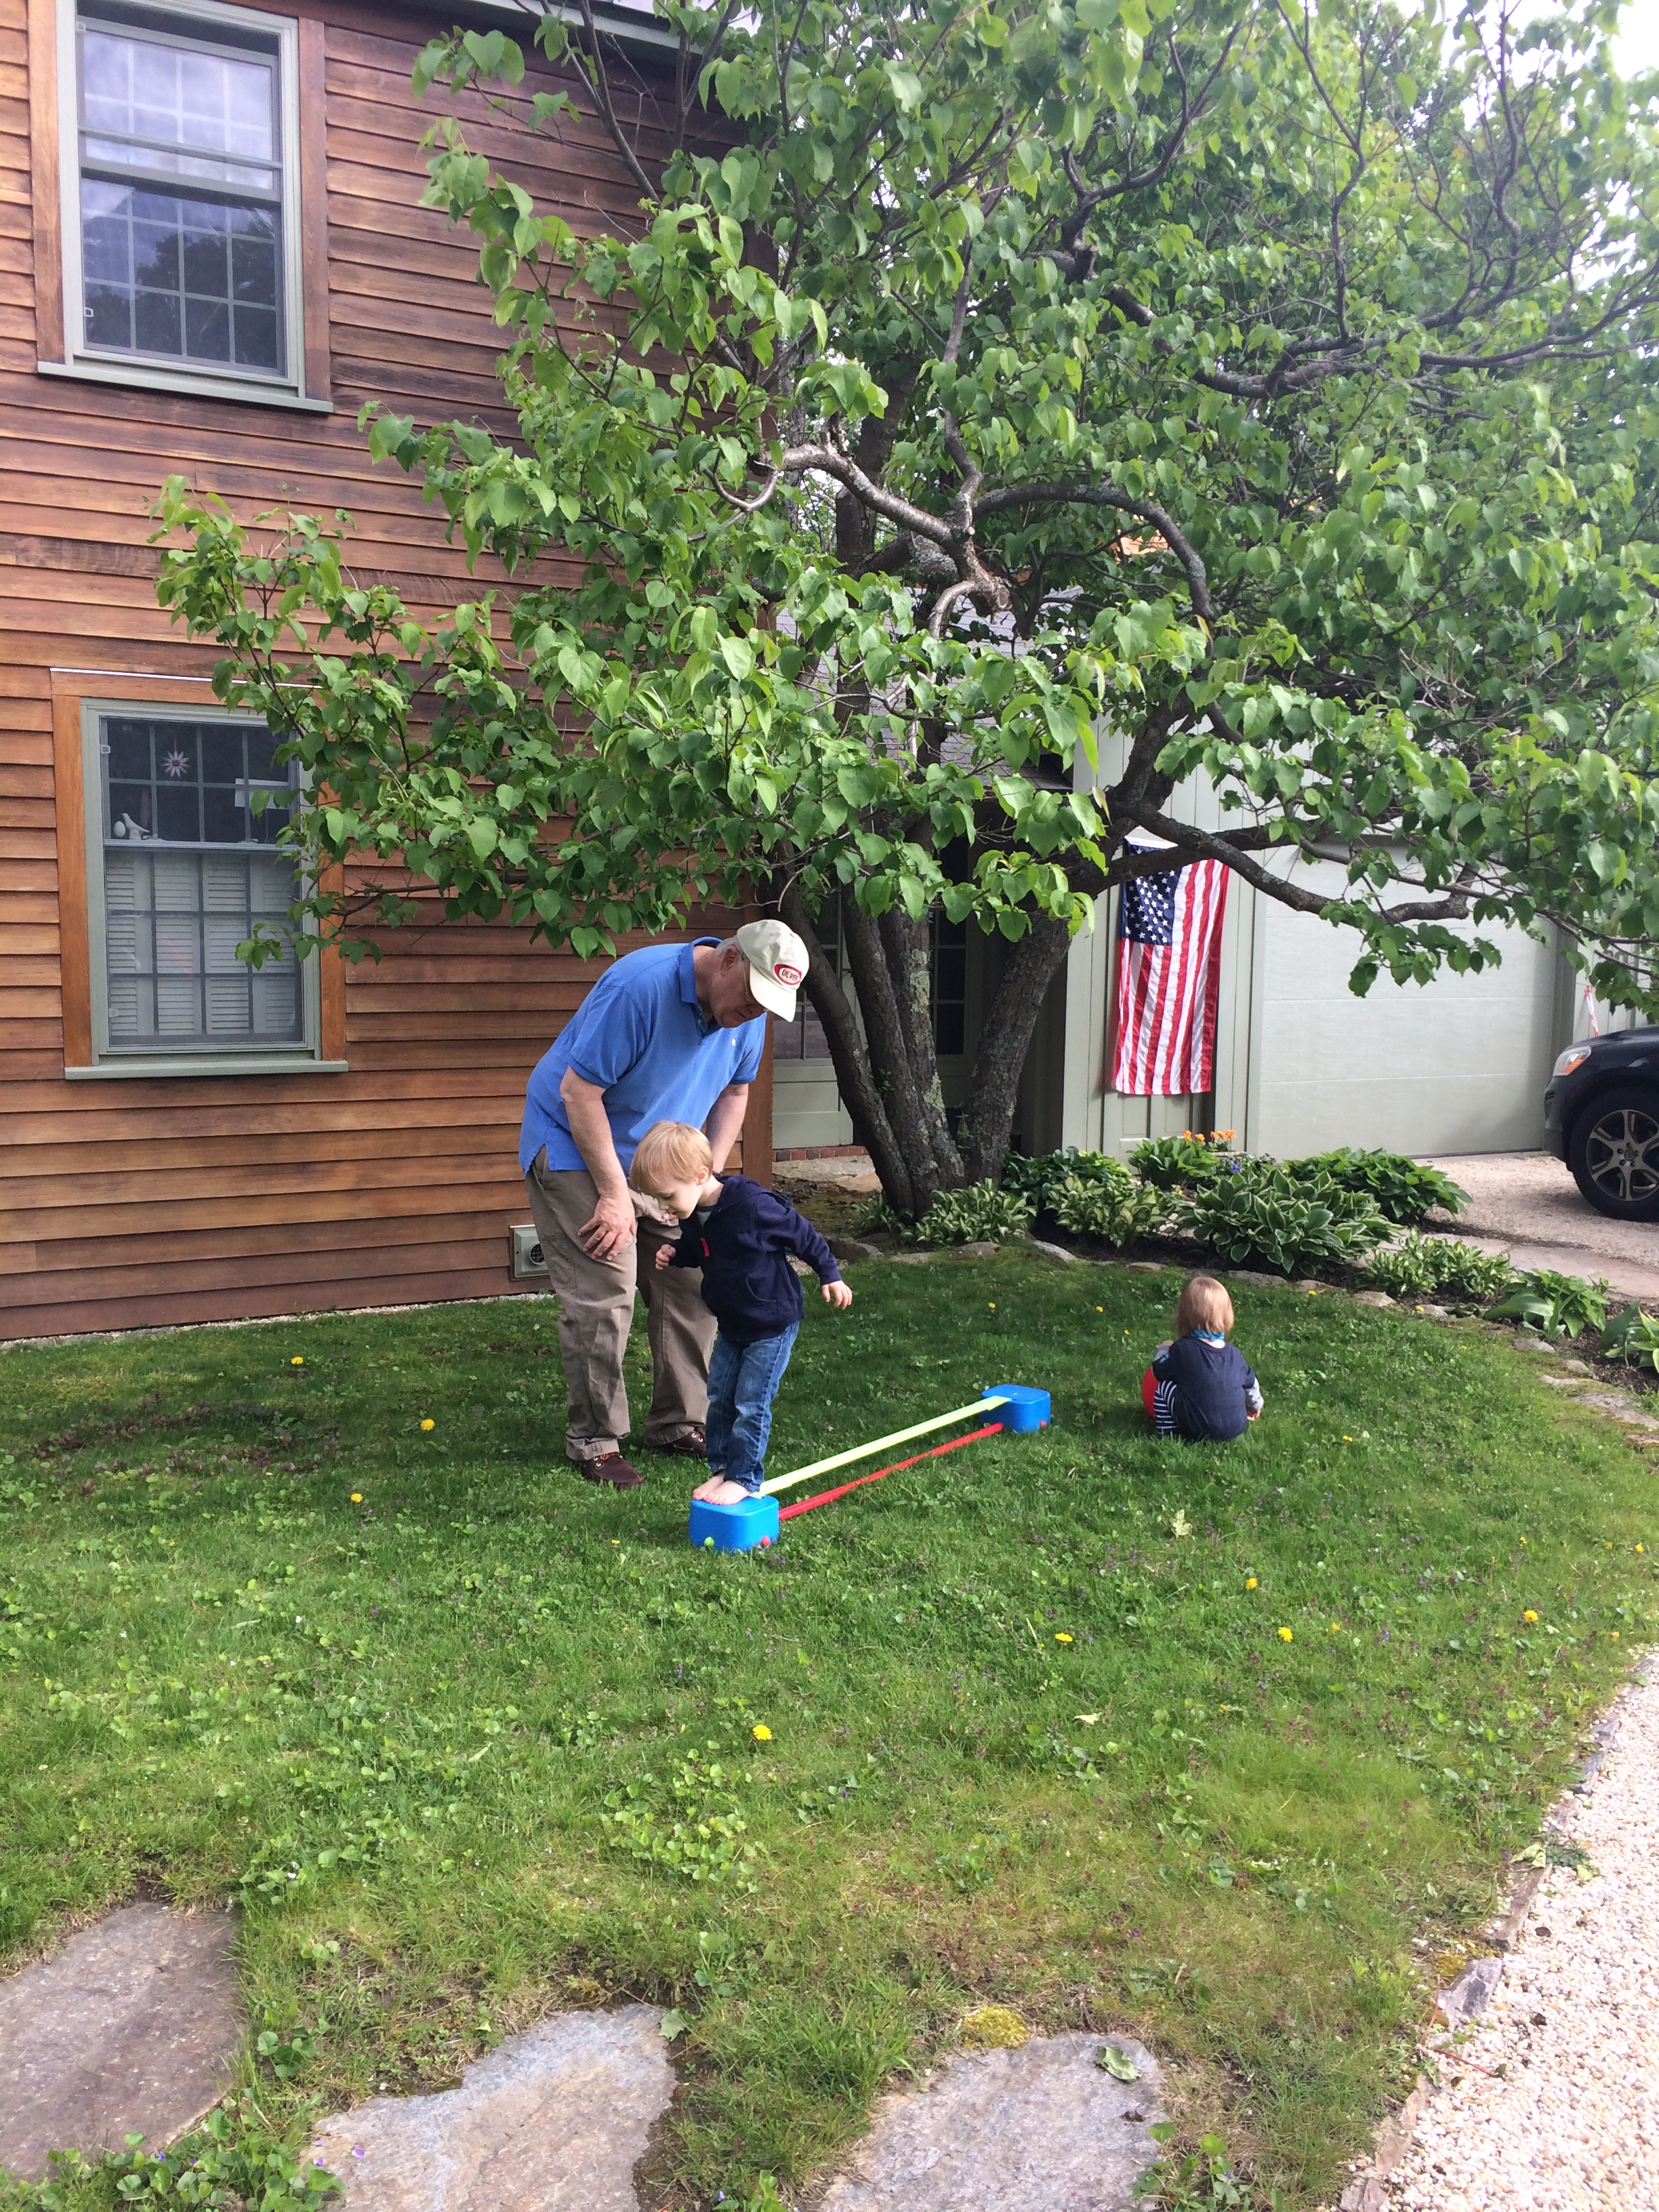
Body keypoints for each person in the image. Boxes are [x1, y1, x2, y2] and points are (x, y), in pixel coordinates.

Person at [519, 922, 811, 1490]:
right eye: (753, 997)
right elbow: (578, 1092)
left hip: (664, 1159)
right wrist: (613, 1195)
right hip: (576, 1143)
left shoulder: (745, 1016)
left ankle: (678, 1422)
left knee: (695, 1277)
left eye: (768, 1006)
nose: (755, 1013)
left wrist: (704, 1181)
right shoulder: (640, 988)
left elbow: (735, 1093)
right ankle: (596, 1441)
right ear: (728, 960)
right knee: (607, 1286)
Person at [629, 1119, 853, 1504]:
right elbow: (702, 1248)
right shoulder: (694, 1212)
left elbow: (803, 1234)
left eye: (666, 1197)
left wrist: (829, 1272)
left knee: (751, 1403)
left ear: (700, 1175)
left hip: (771, 1323)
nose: (663, 1208)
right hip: (732, 1322)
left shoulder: (753, 1206)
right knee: (719, 1397)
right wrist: (677, 1252)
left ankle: (745, 1477)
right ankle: (723, 1469)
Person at [1141, 1276, 1263, 1442]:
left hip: (1199, 1427)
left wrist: (1165, 1349)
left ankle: (1167, 1436)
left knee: (1164, 1388)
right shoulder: (1234, 1354)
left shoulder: (1182, 1349)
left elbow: (1158, 1372)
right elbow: (1251, 1383)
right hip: (1236, 1427)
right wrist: (1256, 1405)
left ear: (1183, 1317)